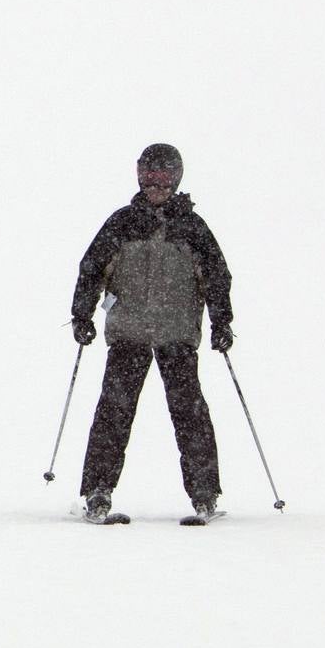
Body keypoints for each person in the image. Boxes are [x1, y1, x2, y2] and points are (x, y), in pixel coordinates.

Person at [68, 144, 233, 524]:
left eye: (163, 176)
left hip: (176, 335)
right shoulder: (122, 222)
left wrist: (222, 322)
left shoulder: (191, 227)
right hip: (129, 333)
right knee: (113, 413)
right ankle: (98, 492)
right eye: (148, 174)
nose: (155, 183)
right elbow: (91, 268)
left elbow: (217, 276)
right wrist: (81, 314)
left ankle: (205, 495)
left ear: (177, 179)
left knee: (189, 414)